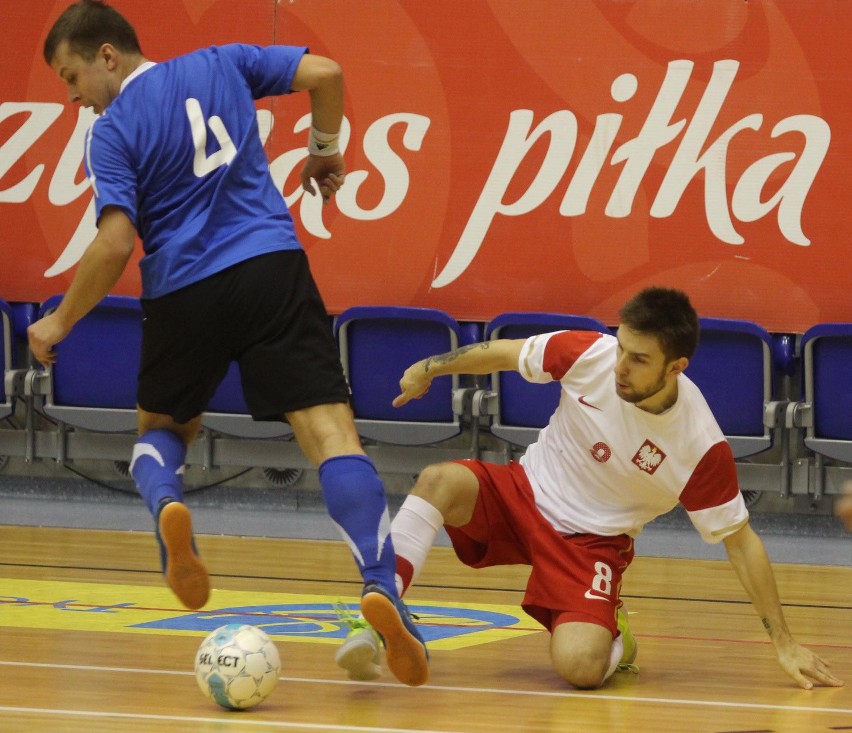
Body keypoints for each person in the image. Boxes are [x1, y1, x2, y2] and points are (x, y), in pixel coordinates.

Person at [30, 0, 428, 687]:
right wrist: (325, 150)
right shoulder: (223, 62)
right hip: (271, 265)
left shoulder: (115, 129)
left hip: (185, 288)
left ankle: (170, 509)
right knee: (332, 435)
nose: (72, 98)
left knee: (159, 431)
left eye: (71, 78)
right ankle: (379, 582)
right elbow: (327, 71)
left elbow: (117, 241)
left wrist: (59, 321)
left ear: (107, 56)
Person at [336, 287, 844, 691]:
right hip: (524, 490)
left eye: (639, 359)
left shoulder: (700, 446)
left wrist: (785, 642)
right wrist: (430, 369)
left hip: (590, 543)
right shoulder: (591, 355)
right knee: (438, 480)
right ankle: (381, 611)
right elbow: (505, 353)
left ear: (676, 368)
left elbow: (741, 543)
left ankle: (612, 631)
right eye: (621, 347)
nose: (620, 366)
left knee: (580, 669)